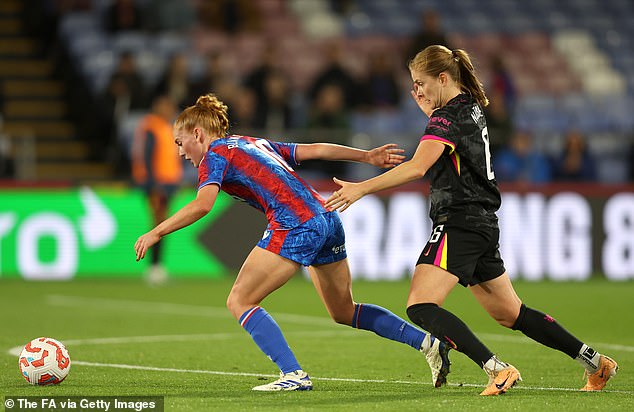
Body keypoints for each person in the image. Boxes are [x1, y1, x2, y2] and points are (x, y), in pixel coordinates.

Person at [326, 45, 618, 396]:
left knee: (420, 306)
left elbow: (418, 166)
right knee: (512, 314)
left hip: (459, 221)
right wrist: (429, 111)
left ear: (443, 78)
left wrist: (362, 188)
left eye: (420, 82)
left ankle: (497, 369)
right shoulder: (470, 108)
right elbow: (450, 150)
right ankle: (595, 362)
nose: (416, 89)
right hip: (481, 222)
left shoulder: (446, 118)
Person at [134, 93, 451, 391]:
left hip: (295, 225)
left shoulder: (214, 154)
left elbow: (203, 204)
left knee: (240, 300)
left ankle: (292, 373)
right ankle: (428, 344)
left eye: (180, 142)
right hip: (327, 218)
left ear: (198, 134)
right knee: (344, 311)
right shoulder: (252, 142)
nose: (179, 152)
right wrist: (365, 155)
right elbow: (313, 149)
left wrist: (157, 231)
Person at [132, 94, 183, 284]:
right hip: (157, 184)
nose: (170, 111)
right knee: (158, 224)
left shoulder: (167, 127)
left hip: (168, 183)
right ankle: (154, 267)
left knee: (162, 224)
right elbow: (147, 156)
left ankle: (157, 266)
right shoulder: (152, 127)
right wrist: (154, 185)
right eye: (166, 106)